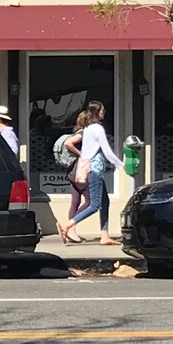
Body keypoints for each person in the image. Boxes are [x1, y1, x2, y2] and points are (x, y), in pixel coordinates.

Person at [59, 100, 121, 246]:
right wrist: (120, 164)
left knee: (105, 202)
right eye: (102, 110)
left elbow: (86, 151)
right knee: (95, 205)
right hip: (95, 169)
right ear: (96, 111)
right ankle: (68, 225)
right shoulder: (98, 129)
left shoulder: (87, 129)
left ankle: (104, 235)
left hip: (89, 168)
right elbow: (107, 150)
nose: (104, 112)